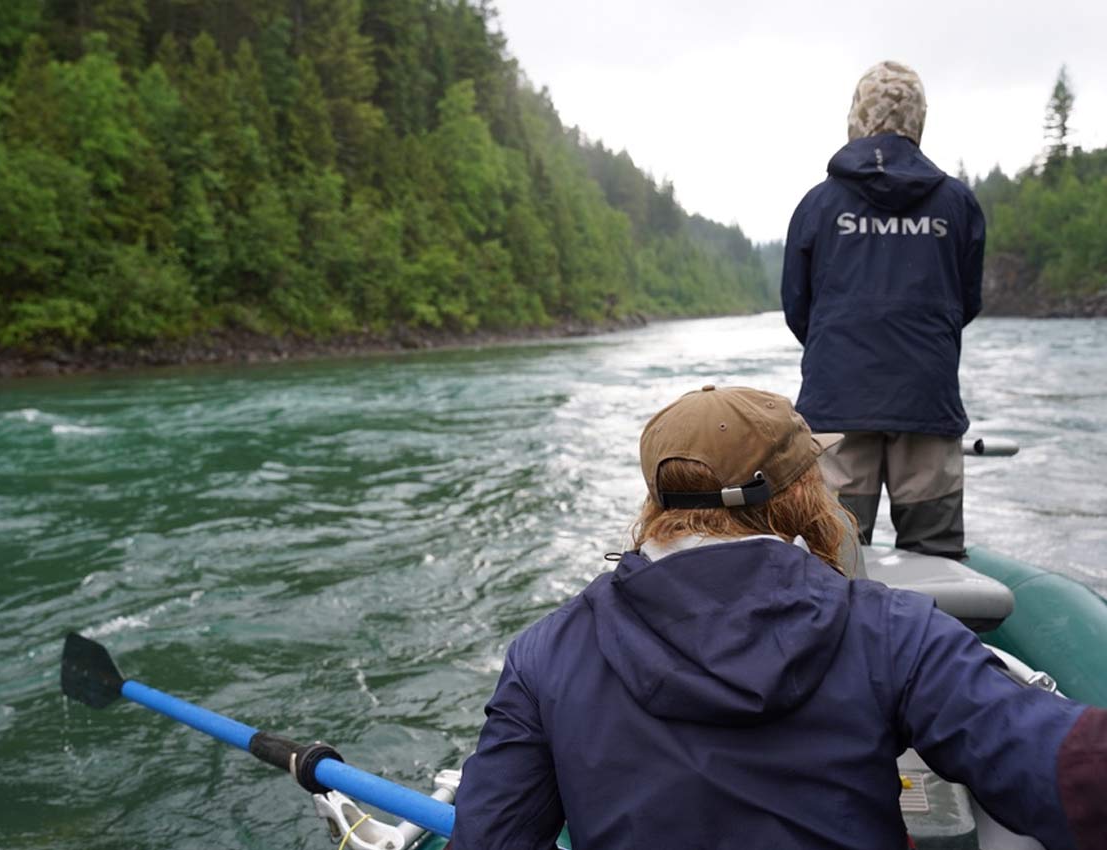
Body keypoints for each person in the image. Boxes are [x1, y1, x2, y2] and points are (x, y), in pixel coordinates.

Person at [450, 386, 1106, 850]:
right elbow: (1059, 768)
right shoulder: (889, 629)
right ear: (798, 496)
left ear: (659, 500)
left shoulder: (547, 654)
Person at [781, 60, 985, 560]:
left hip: (837, 404)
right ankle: (938, 639)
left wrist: (846, 349)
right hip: (927, 400)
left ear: (856, 117)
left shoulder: (818, 205)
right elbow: (967, 301)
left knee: (833, 561)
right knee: (936, 555)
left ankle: (834, 639)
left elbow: (797, 307)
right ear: (920, 120)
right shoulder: (957, 204)